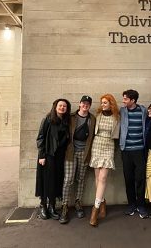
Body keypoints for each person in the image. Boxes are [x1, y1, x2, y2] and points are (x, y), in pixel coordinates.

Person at [59, 95, 96, 224]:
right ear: (79, 104)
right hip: (70, 153)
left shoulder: (92, 119)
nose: (85, 105)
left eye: (88, 104)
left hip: (84, 153)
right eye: (83, 103)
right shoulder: (71, 117)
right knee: (68, 179)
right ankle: (64, 206)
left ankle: (78, 202)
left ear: (90, 106)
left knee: (80, 179)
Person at [35, 98, 71, 220]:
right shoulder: (48, 119)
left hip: (59, 156)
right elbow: (40, 137)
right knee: (46, 181)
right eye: (60, 105)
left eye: (64, 106)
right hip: (48, 155)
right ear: (55, 107)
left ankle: (52, 206)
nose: (62, 108)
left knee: (56, 181)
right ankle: (43, 206)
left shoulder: (66, 121)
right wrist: (41, 155)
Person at [89, 94, 120, 227]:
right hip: (97, 145)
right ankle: (102, 202)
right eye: (102, 102)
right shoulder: (98, 115)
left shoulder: (116, 117)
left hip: (109, 146)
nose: (103, 104)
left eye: (105, 102)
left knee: (102, 179)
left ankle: (94, 210)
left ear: (111, 103)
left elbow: (118, 134)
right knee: (97, 178)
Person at [119, 89, 148, 219]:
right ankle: (131, 204)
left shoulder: (143, 110)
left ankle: (141, 205)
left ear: (133, 100)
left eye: (125, 99)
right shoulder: (122, 111)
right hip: (126, 151)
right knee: (128, 178)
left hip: (140, 151)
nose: (123, 101)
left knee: (140, 179)